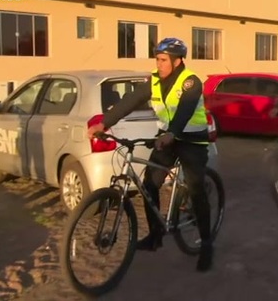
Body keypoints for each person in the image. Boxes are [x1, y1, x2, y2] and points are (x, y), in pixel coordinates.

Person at [87, 37, 214, 272]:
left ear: (177, 62)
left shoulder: (191, 82)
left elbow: (185, 110)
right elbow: (130, 101)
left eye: (164, 60)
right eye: (157, 59)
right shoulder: (154, 81)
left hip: (192, 141)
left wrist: (173, 132)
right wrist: (104, 124)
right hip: (167, 138)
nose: (159, 64)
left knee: (196, 190)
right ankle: (156, 236)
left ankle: (206, 245)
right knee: (149, 184)